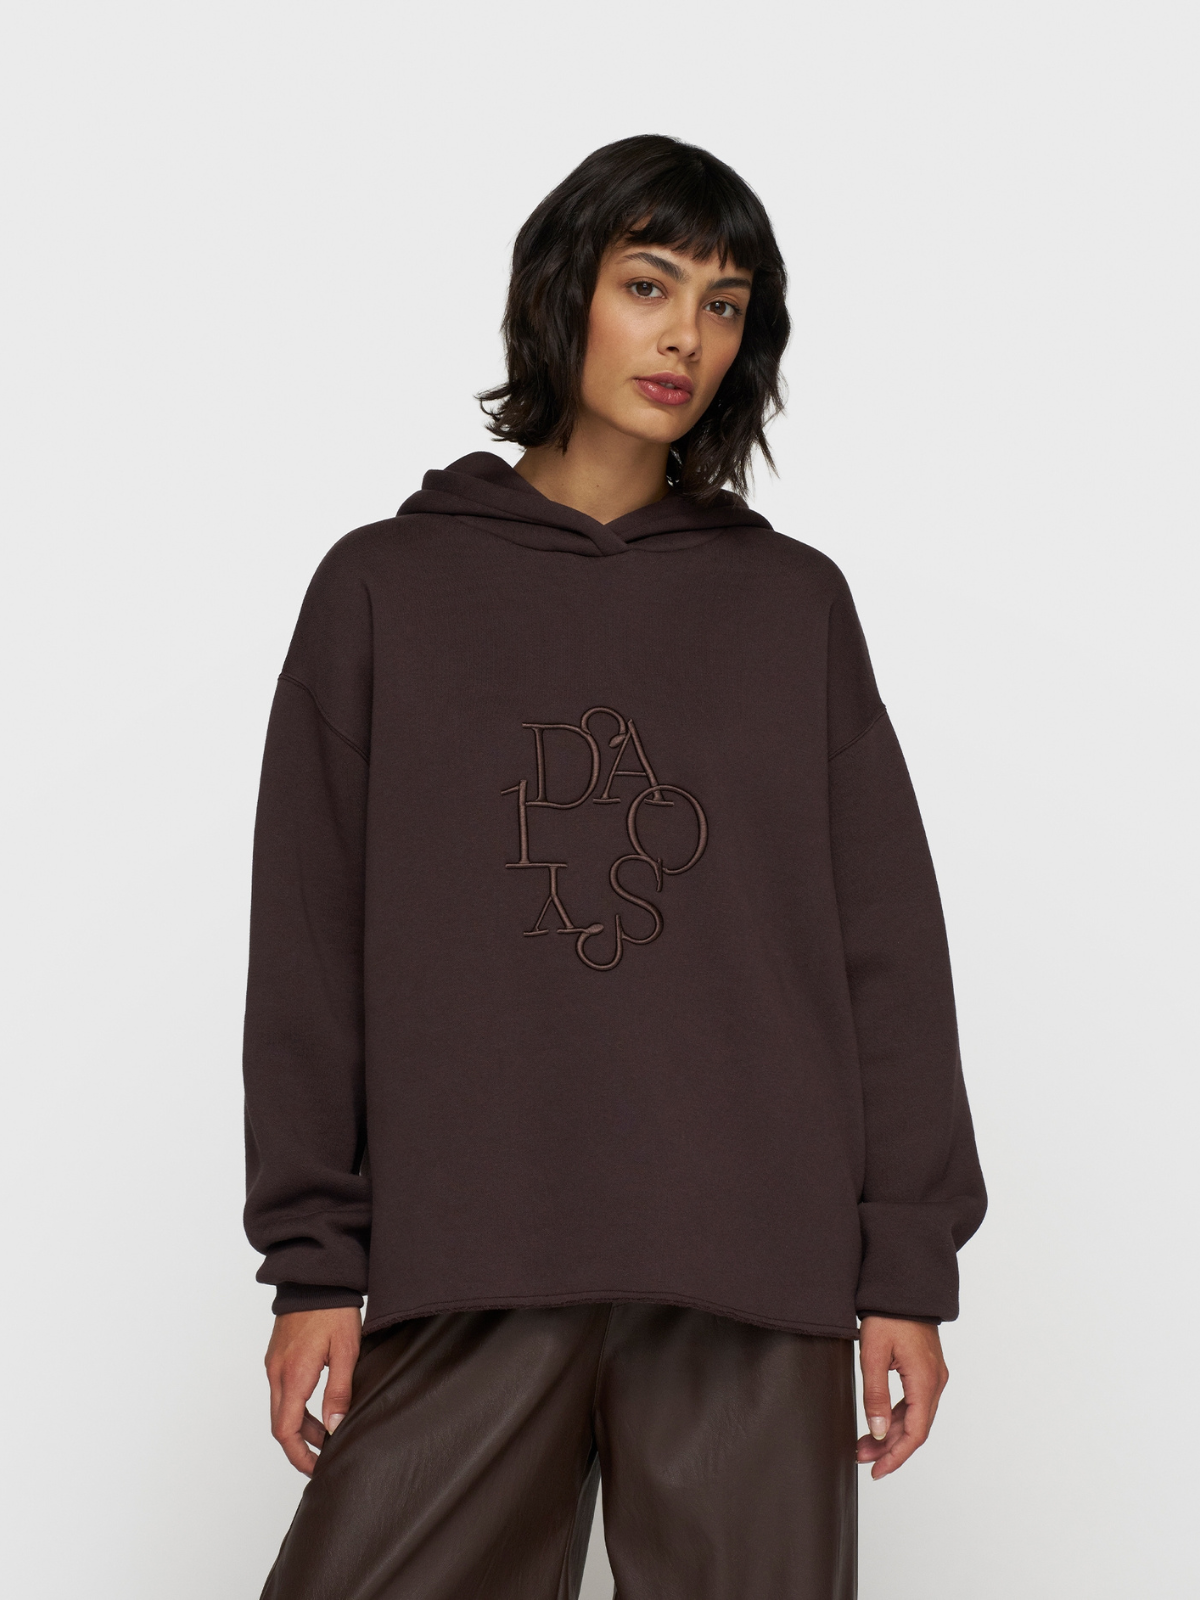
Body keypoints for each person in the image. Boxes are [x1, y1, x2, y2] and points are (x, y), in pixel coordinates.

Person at [242, 133, 986, 1600]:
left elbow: (887, 951)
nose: (686, 336)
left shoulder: (792, 607)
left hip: (749, 1260)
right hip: (477, 1247)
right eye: (650, 285)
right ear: (562, 290)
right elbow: (311, 944)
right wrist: (316, 1259)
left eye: (725, 304)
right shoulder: (385, 588)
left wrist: (906, 1267)